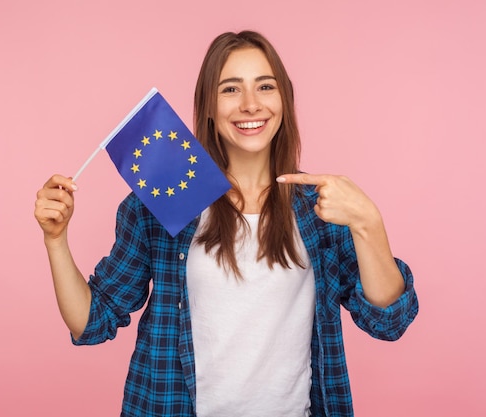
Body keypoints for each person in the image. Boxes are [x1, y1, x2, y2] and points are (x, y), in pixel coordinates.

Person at [34, 30, 418, 417]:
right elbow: (93, 320)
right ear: (208, 108)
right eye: (231, 90)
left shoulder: (322, 209)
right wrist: (56, 241)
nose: (251, 105)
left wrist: (369, 223)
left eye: (265, 87)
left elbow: (389, 321)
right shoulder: (165, 201)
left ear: (283, 99)